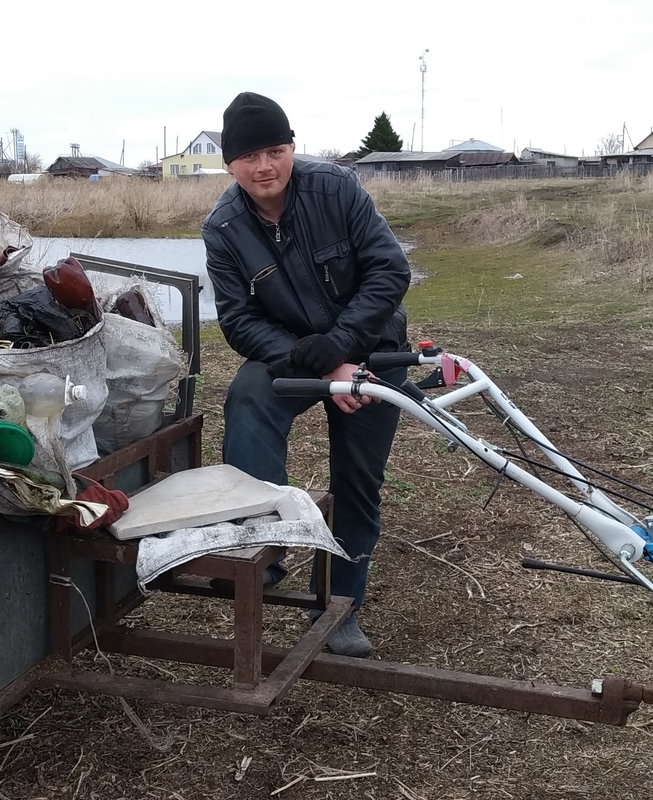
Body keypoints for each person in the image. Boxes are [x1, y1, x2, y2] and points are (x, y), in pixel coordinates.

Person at [202, 92, 411, 658]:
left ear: (292, 147)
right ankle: (263, 548)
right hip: (293, 357)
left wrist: (342, 349)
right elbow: (239, 320)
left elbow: (390, 272)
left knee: (357, 482)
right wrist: (313, 359)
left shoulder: (337, 188)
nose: (264, 166)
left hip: (372, 348)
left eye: (275, 150)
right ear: (230, 164)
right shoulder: (222, 226)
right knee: (247, 396)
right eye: (249, 156)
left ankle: (341, 606)